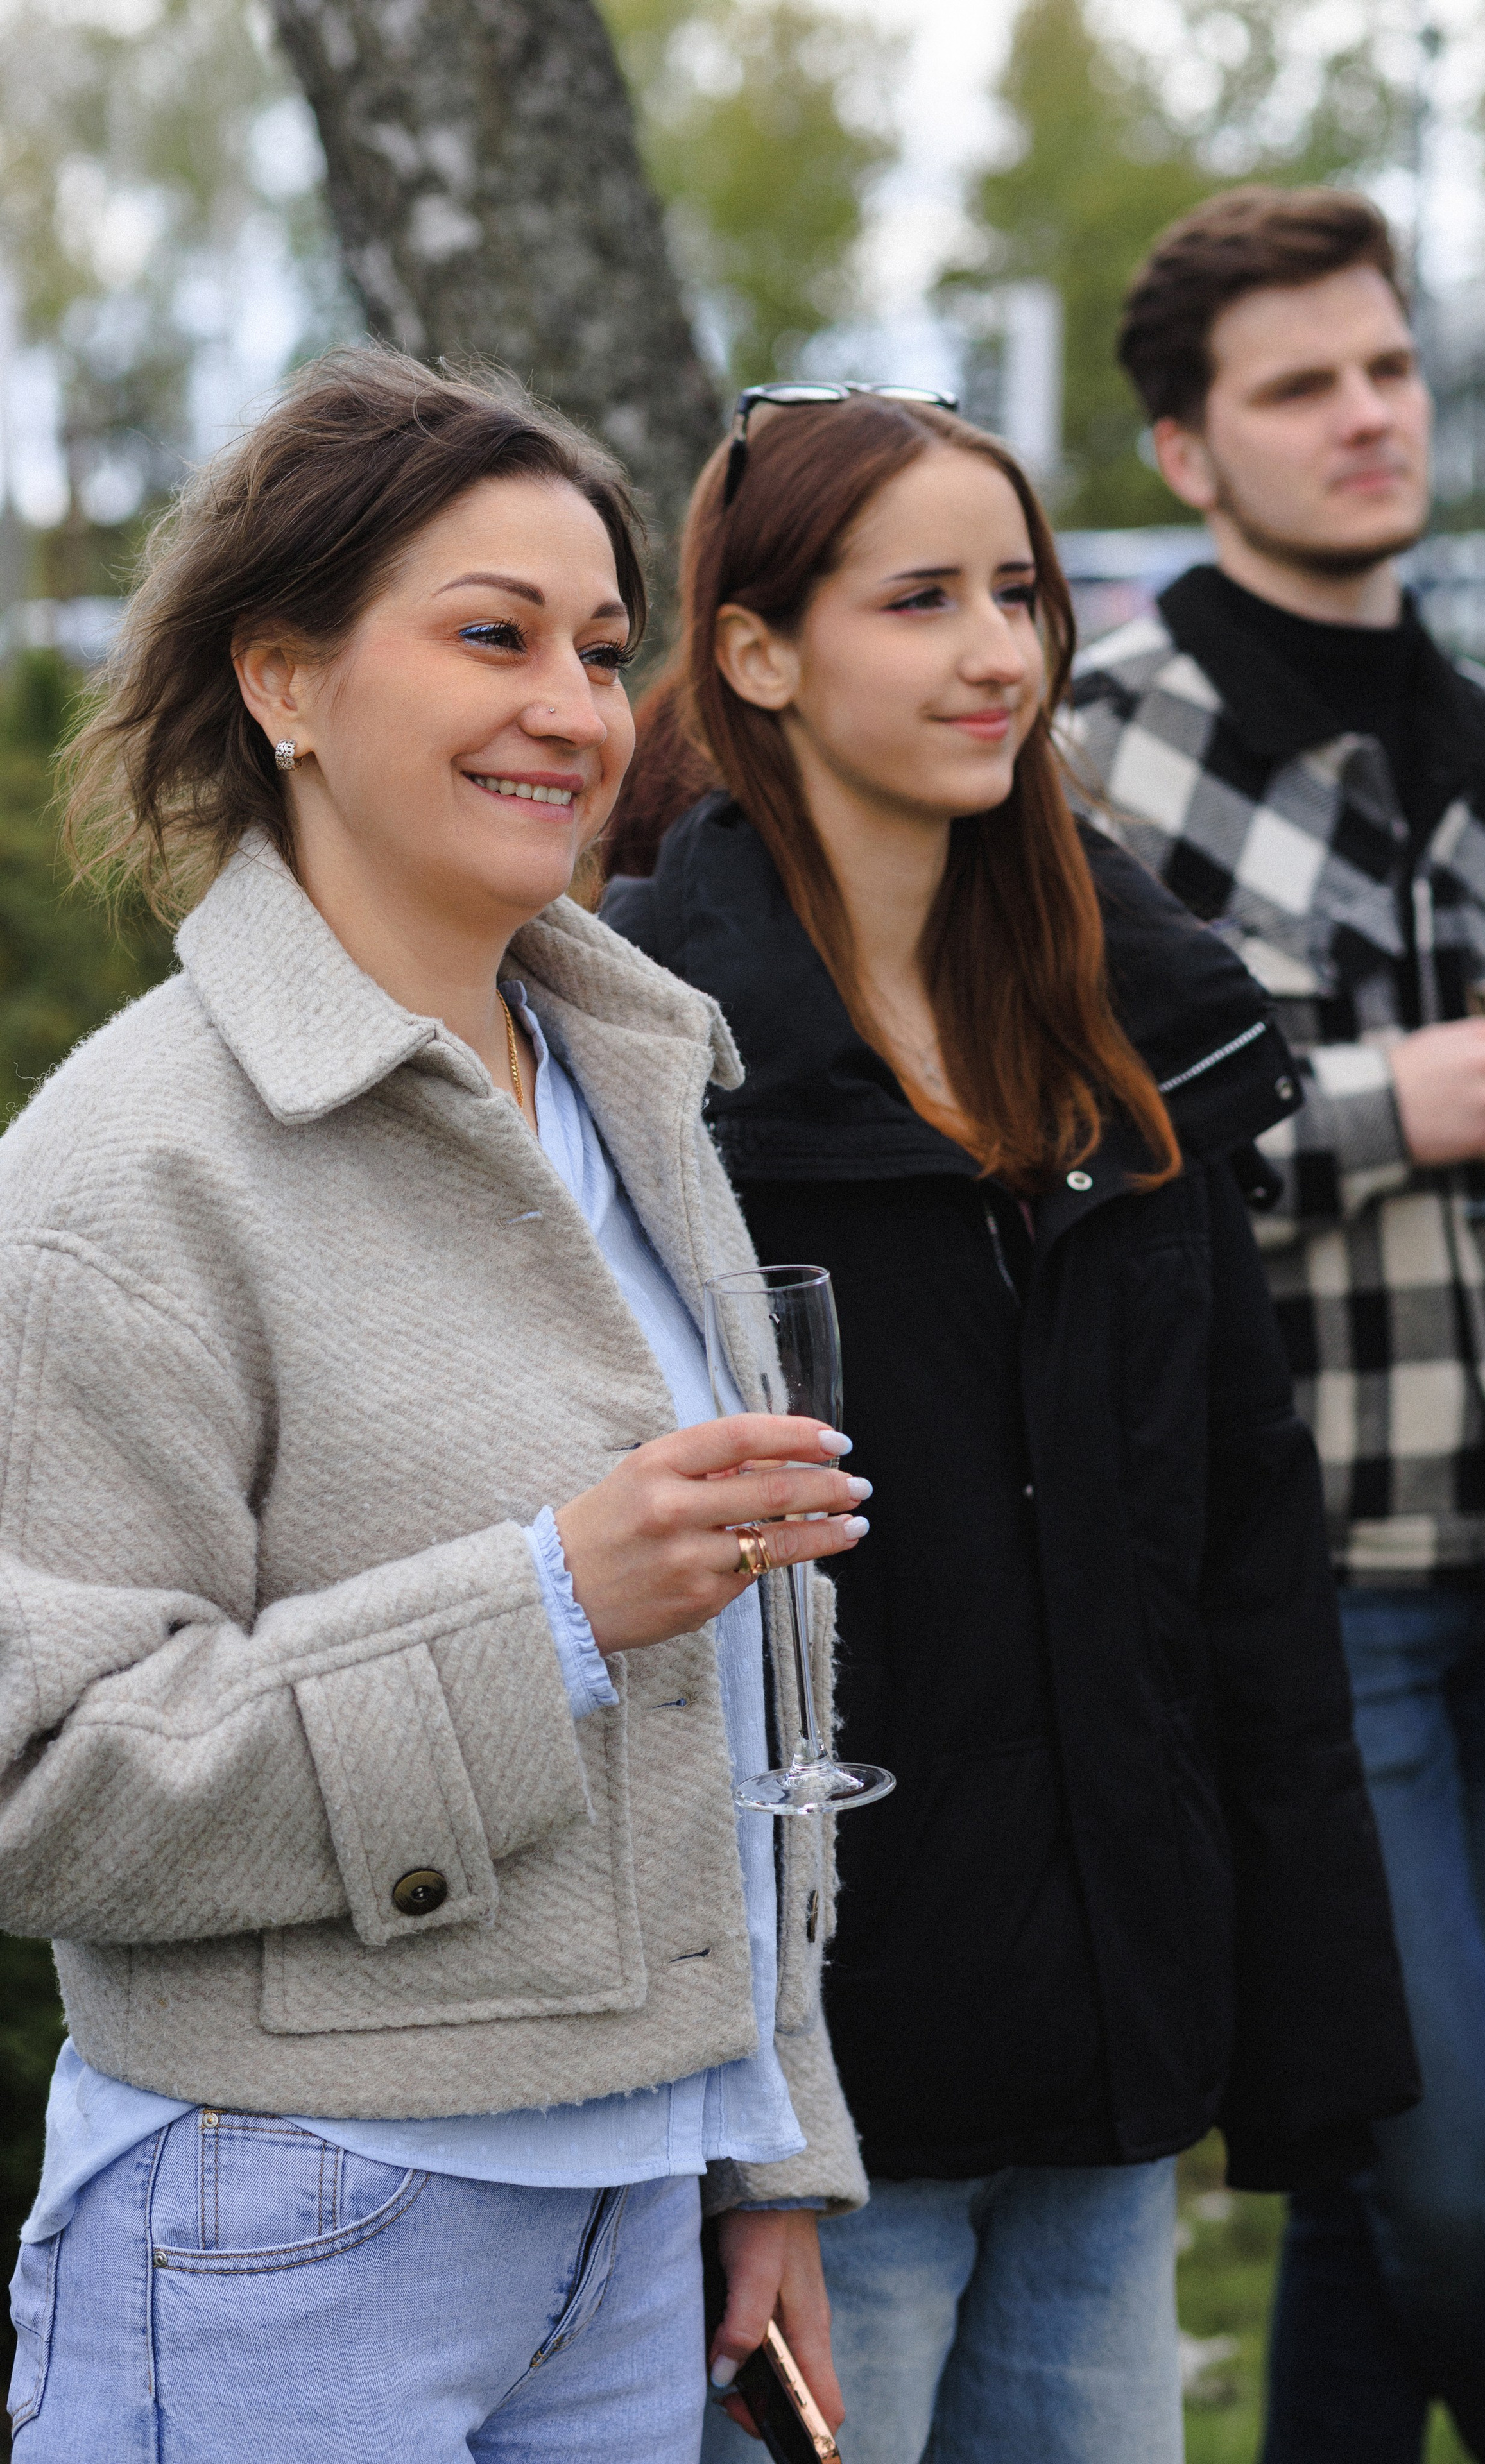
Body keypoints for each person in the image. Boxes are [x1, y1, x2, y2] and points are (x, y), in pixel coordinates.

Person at [0, 346, 875, 2463]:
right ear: (283, 682)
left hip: (632, 2225)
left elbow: (748, 1717)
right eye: (489, 637)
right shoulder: (124, 1172)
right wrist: (546, 1607)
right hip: (288, 2224)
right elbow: (47, 1790)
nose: (575, 709)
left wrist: (758, 2144)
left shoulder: (633, 1083)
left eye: (597, 647)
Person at [600, 384, 1420, 2464]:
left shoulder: (1129, 1031)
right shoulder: (639, 1065)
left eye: (1022, 594)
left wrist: (1301, 2028)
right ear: (762, 653)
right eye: (924, 600)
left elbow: (1241, 1545)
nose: (999, 654)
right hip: (818, 2100)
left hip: (1113, 2057)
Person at [1067, 185, 1485, 2464]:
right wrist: (1384, 1102)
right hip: (1315, 1593)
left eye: (1389, 367)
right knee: (1459, 2163)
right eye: (1301, 386)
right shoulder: (1097, 747)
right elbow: (1072, 1131)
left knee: (1360, 2156)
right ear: (1192, 453)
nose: (1370, 415)